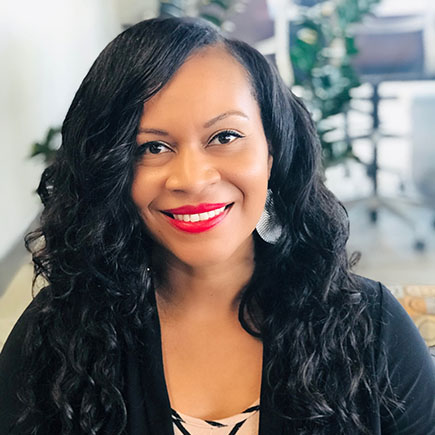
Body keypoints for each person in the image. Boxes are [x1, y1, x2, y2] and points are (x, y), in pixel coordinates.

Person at [0, 16, 434, 435]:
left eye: (224, 137)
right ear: (112, 169)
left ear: (272, 152)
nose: (191, 178)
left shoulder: (370, 327)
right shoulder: (55, 337)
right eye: (153, 147)